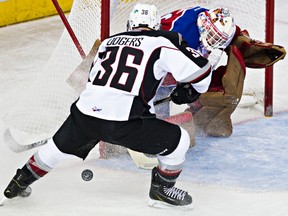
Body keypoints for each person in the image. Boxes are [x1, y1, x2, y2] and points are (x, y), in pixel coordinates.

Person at [3, 3, 212, 209]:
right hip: (125, 123)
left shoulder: (107, 42)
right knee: (179, 140)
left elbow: (95, 79)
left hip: (84, 115)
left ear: (130, 24)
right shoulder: (161, 41)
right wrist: (193, 90)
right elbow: (201, 69)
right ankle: (162, 191)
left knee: (56, 149)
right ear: (156, 25)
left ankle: (18, 183)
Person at [155, 6, 286, 137]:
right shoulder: (181, 36)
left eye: (218, 39)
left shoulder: (211, 20)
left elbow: (233, 34)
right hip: (155, 58)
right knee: (162, 89)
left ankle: (198, 115)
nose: (214, 42)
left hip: (176, 53)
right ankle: (153, 121)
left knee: (202, 86)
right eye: (212, 36)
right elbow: (158, 63)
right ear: (204, 26)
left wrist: (247, 44)